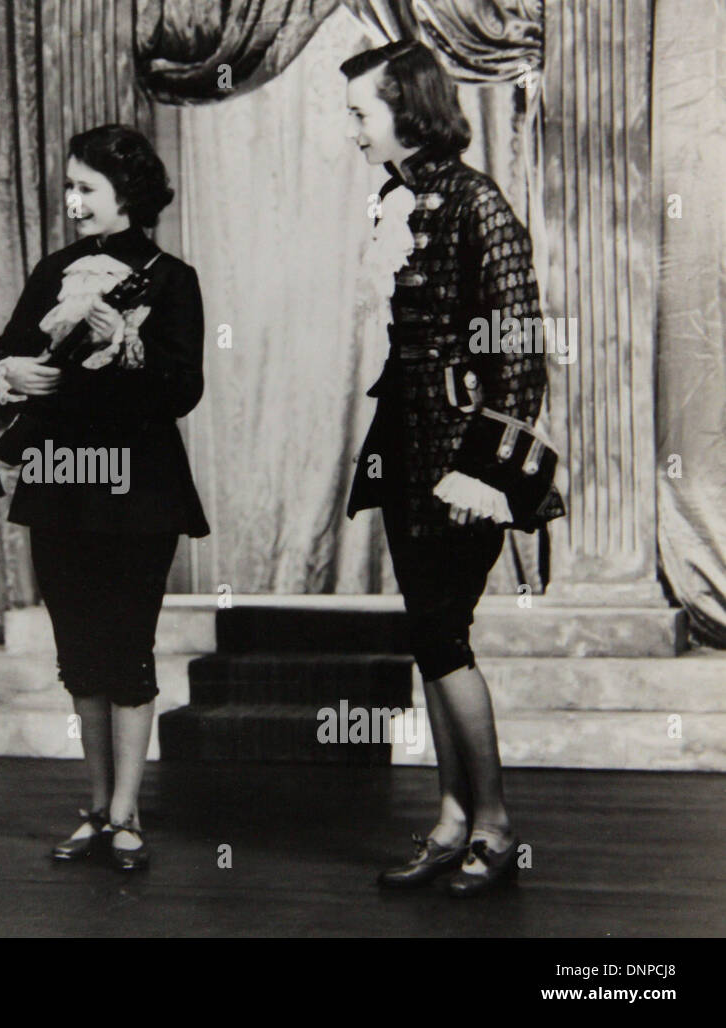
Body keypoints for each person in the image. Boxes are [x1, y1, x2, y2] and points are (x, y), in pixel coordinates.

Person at [341, 42, 562, 896]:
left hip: (459, 465)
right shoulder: (399, 199)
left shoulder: (476, 202)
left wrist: (484, 476)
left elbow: (520, 351)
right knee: (432, 639)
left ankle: (497, 826)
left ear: (409, 108)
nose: (354, 129)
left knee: (441, 636)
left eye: (363, 112)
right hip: (404, 447)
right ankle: (452, 817)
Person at [0, 125, 210, 871]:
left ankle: (127, 813)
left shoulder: (173, 280)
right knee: (79, 653)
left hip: (138, 487)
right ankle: (97, 806)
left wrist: (133, 348)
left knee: (128, 649)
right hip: (58, 483)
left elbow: (184, 388)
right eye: (71, 186)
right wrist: (12, 374)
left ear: (128, 197)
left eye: (86, 189)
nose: (72, 201)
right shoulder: (55, 270)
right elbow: (1, 352)